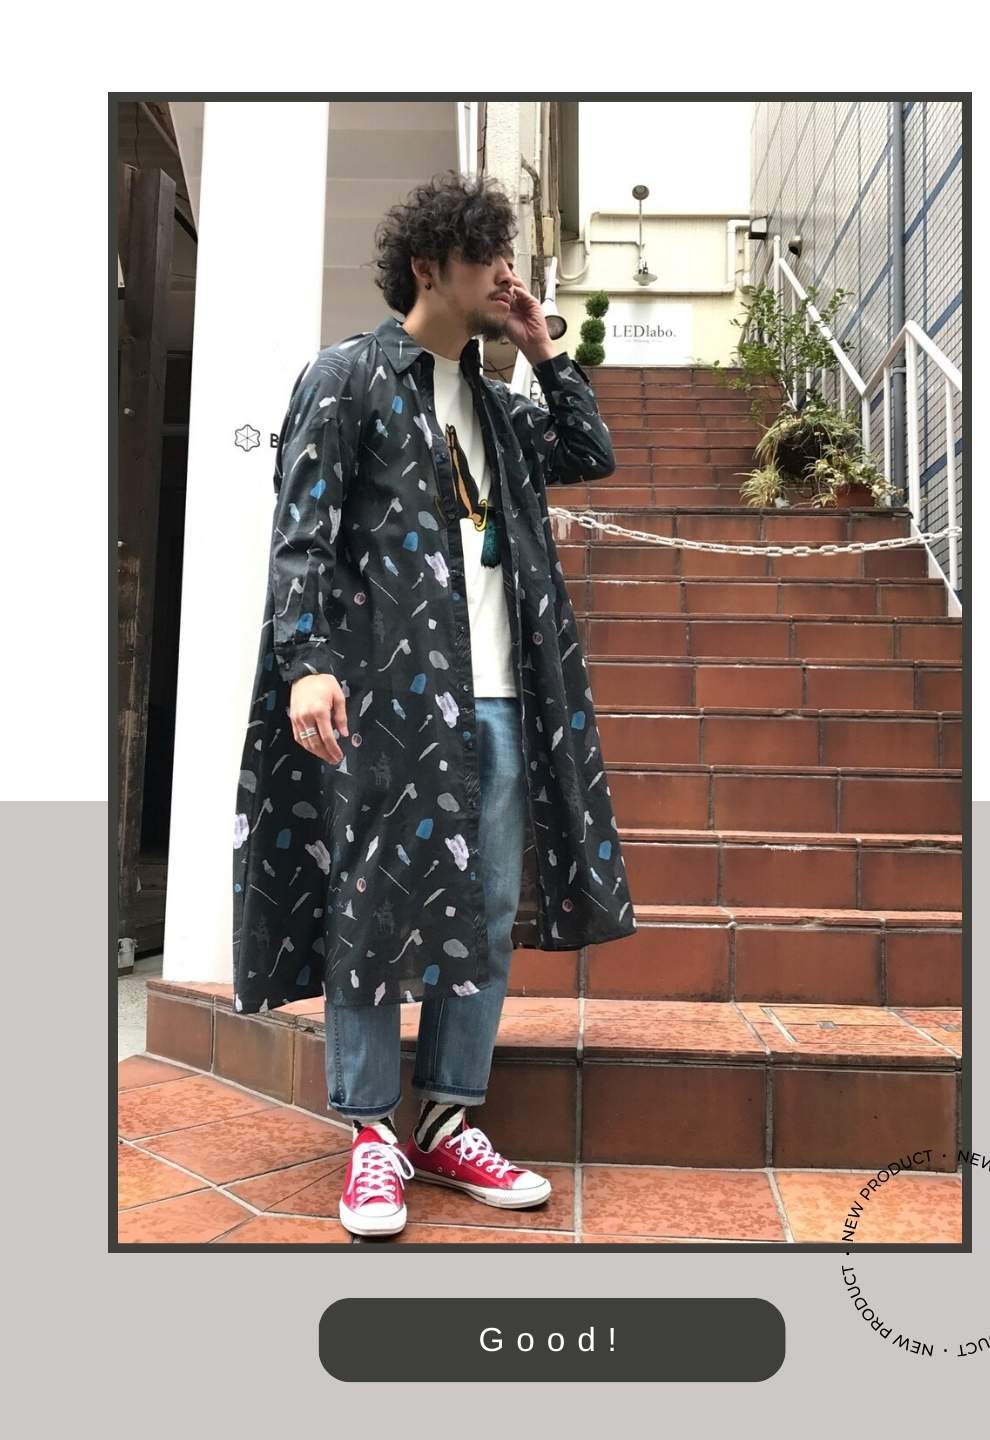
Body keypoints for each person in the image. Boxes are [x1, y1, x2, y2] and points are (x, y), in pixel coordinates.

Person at [232, 171, 637, 1239]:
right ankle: (372, 1135)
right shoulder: (347, 378)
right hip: (389, 699)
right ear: (428, 267)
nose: (507, 273)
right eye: (486, 257)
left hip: (506, 698)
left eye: (509, 256)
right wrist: (307, 661)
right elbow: (303, 535)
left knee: (485, 917)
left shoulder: (498, 405)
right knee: (371, 908)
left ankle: (449, 1120)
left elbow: (589, 454)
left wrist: (543, 351)